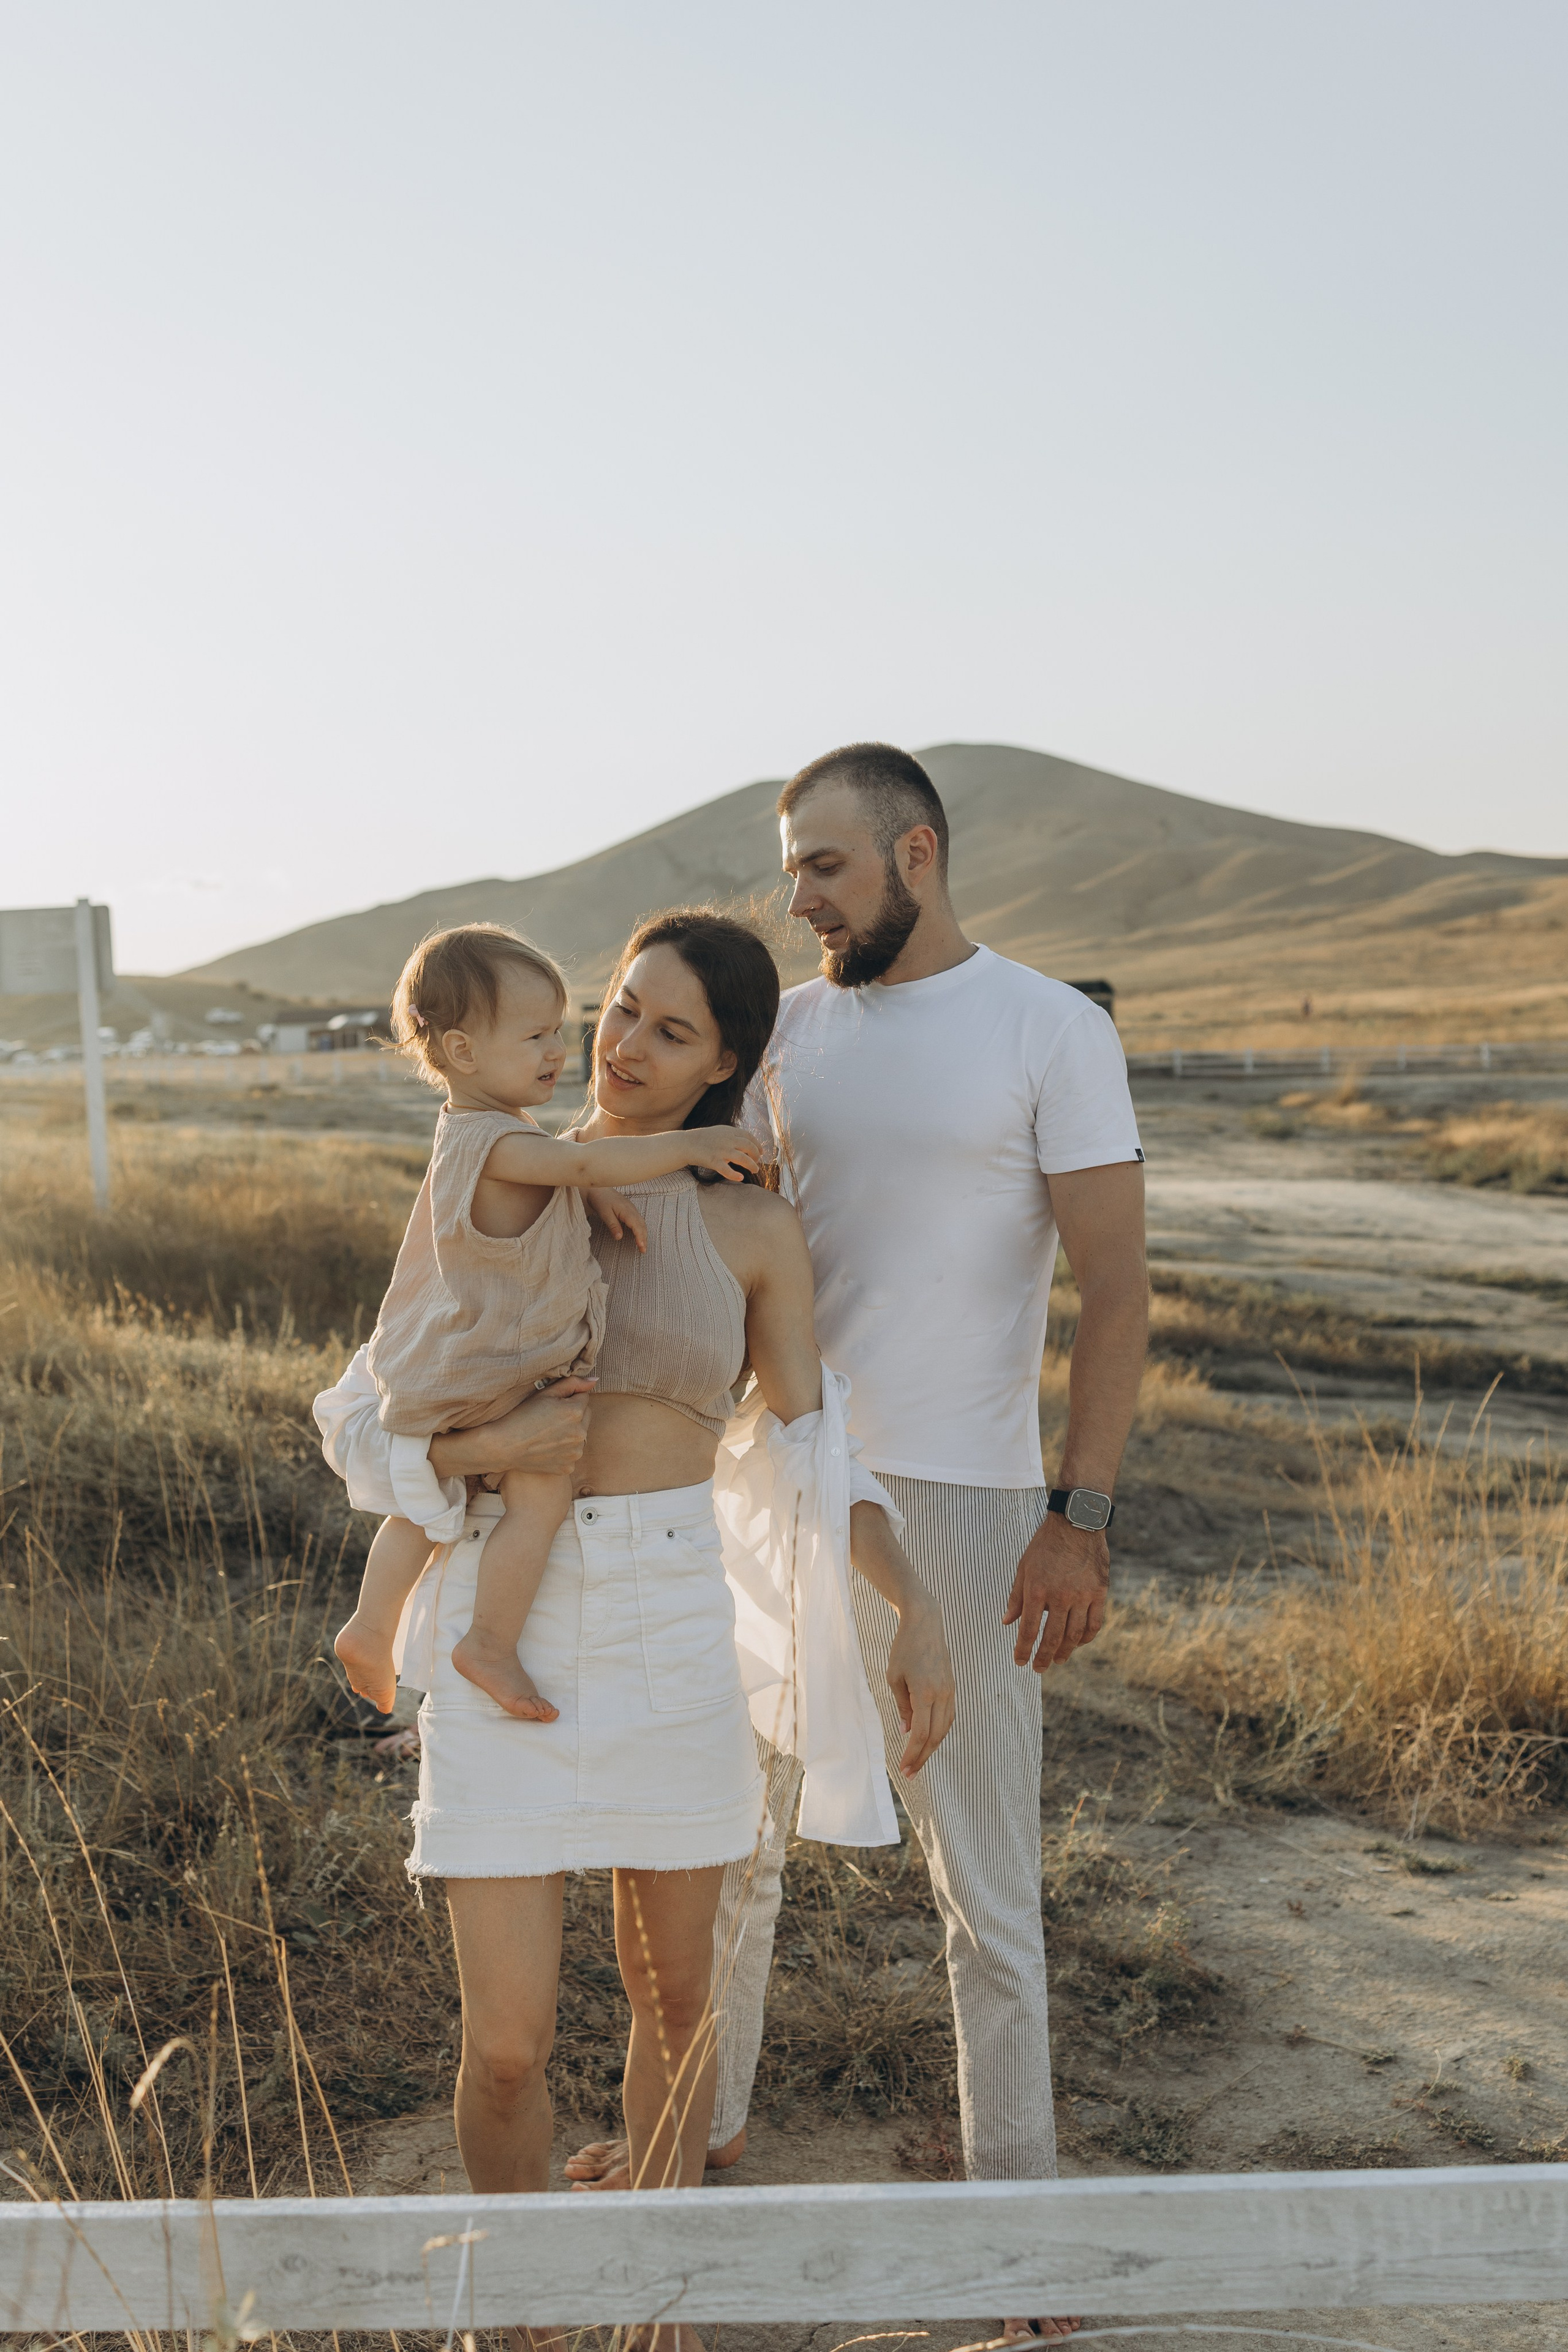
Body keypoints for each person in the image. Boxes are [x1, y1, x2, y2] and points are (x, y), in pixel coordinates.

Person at [570, 748, 1148, 2346]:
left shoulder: (1051, 1027)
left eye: (826, 868)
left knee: (991, 1895)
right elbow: (678, 1153)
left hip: (961, 1504)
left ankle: (1021, 2232)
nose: (802, 900)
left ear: (916, 853)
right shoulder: (795, 1030)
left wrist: (1076, 1516)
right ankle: (705, 2124)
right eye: (790, 870)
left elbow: (1116, 1286)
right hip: (769, 1478)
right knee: (726, 1852)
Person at [312, 908, 955, 2339]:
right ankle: (522, 2313)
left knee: (678, 2011)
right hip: (506, 1615)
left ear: (728, 1060)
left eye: (671, 1031)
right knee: (504, 2047)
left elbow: (809, 1450)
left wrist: (909, 1607)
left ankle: (649, 2304)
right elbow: (371, 1414)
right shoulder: (499, 1174)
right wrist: (491, 1455)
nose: (622, 1045)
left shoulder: (747, 1221)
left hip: (671, 1621)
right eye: (616, 1009)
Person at [333, 921, 763, 1725]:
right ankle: (487, 1642)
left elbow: (565, 1174)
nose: (560, 1052)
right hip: (492, 1368)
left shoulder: (488, 1135)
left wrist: (584, 1190)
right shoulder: (500, 1140)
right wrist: (689, 1144)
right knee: (540, 1493)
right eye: (534, 1036)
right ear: (462, 1053)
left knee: (428, 1504)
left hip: (462, 1364)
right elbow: (582, 1162)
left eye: (562, 1030)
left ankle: (371, 1622)